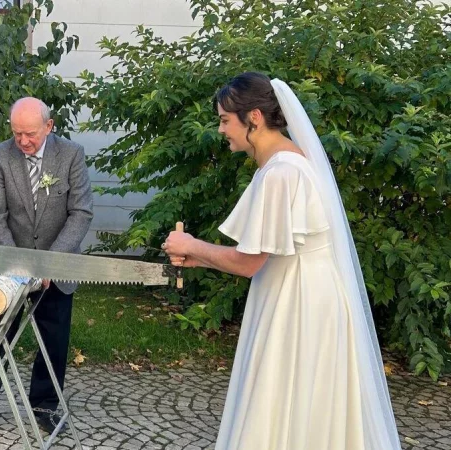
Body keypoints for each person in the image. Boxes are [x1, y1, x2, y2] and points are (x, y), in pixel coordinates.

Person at [163, 72, 401, 449]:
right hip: (304, 292)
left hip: (299, 304)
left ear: (253, 117)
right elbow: (267, 253)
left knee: (286, 397)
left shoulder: (281, 173)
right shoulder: (288, 164)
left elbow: (249, 262)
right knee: (304, 406)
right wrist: (202, 259)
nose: (221, 129)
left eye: (225, 120)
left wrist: (191, 243)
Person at [0, 97, 93, 434]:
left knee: (53, 340)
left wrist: (47, 264)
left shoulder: (71, 154)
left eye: (31, 134)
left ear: (49, 126)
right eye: (17, 134)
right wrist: (18, 267)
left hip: (57, 265)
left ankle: (45, 408)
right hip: (10, 266)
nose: (24, 141)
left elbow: (81, 213)